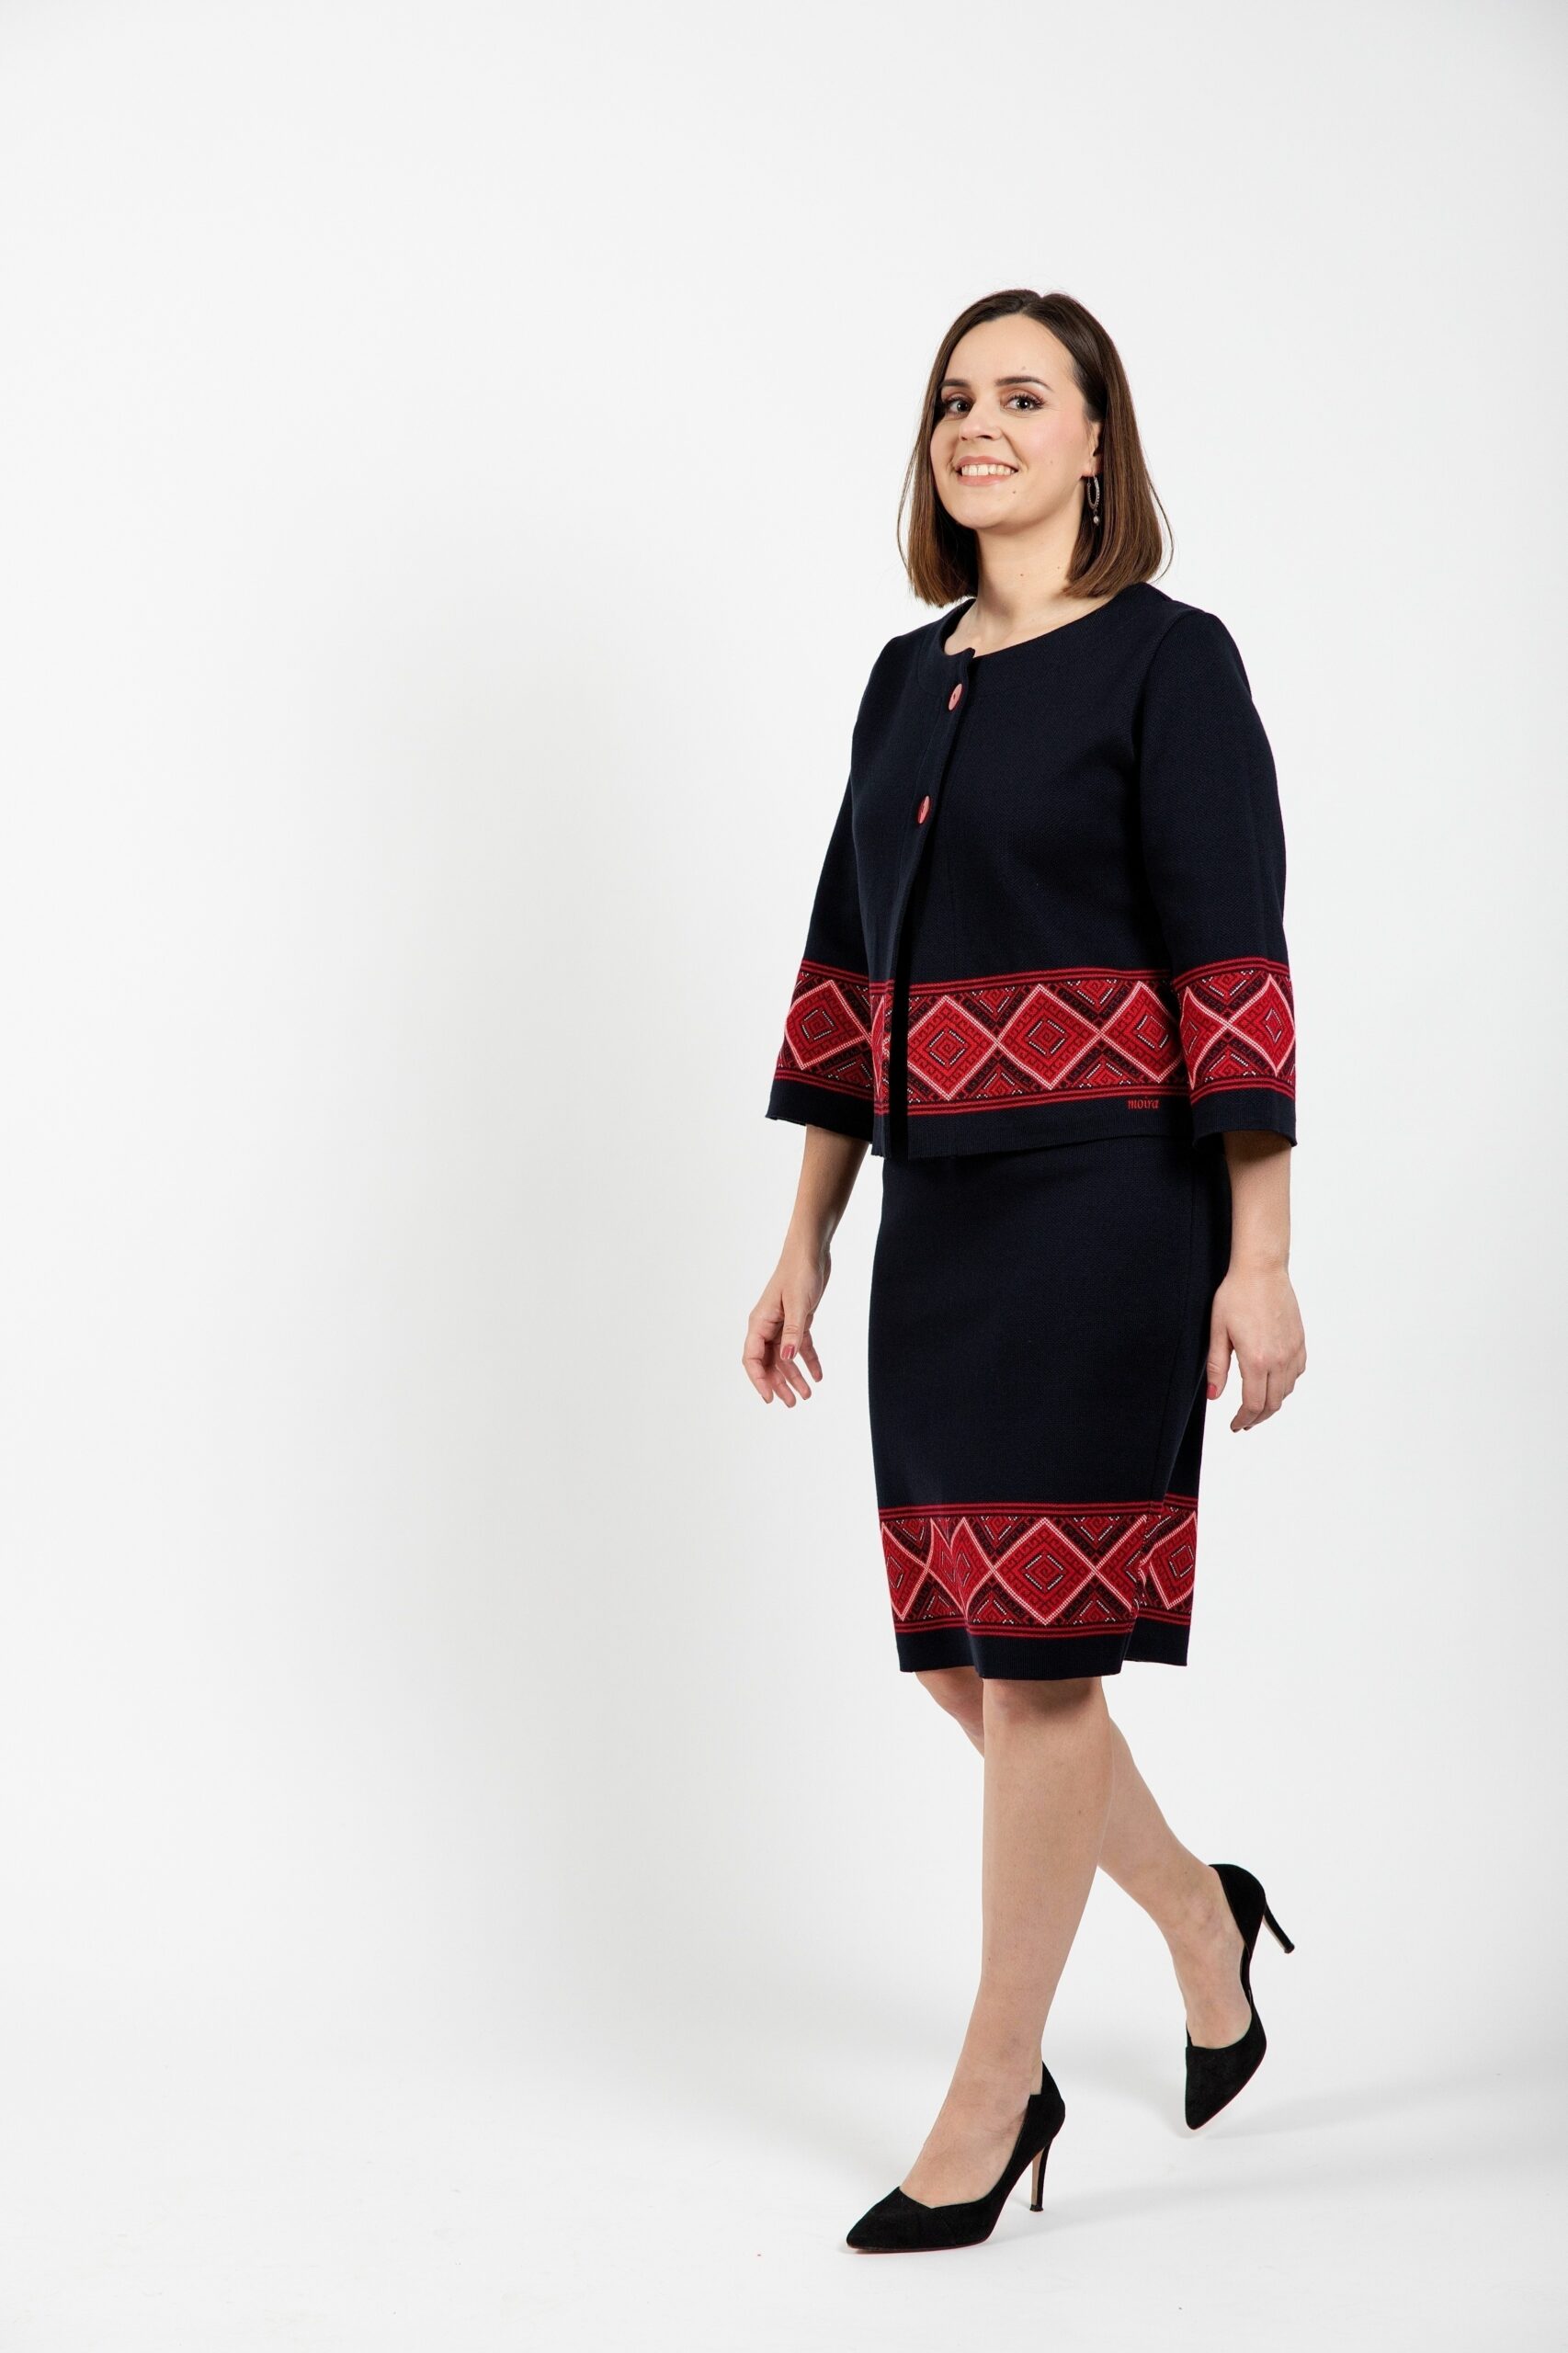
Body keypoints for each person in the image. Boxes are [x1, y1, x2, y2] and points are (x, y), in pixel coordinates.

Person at [742, 288, 1308, 2256]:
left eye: (1021, 396)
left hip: (1106, 1217)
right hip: (939, 1229)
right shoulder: (904, 682)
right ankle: (1198, 1915)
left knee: (1045, 1661)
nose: (976, 425)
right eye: (952, 399)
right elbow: (846, 965)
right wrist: (805, 1233)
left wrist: (1259, 1254)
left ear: (1094, 441)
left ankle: (994, 2095)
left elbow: (1234, 964)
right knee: (957, 1656)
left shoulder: (1169, 661)